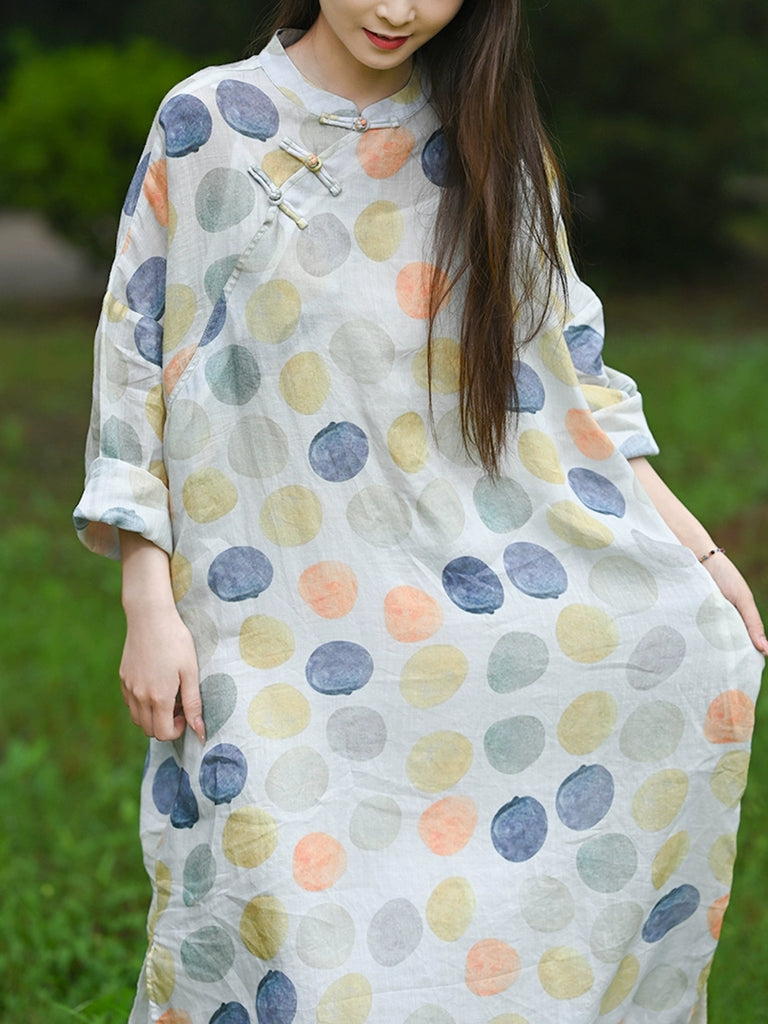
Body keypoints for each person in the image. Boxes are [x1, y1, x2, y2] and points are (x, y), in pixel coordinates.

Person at [74, 1, 766, 1021]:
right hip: (267, 630)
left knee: (676, 668)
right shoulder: (209, 122)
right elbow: (137, 358)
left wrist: (695, 554)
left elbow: (570, 371)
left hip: (462, 617)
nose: (401, 9)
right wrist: (147, 596)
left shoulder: (493, 143)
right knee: (292, 956)